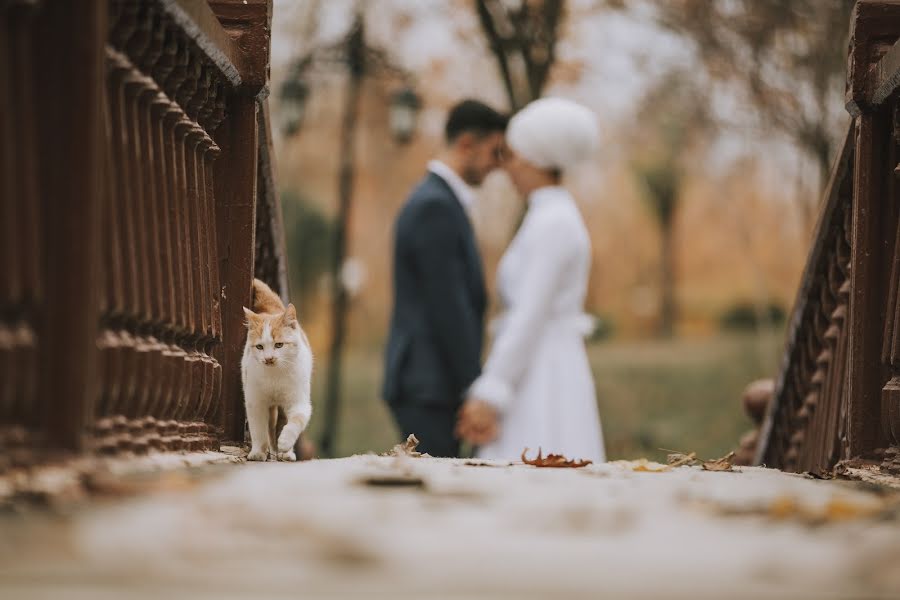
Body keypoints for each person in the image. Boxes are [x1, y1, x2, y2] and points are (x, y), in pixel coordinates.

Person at [456, 97, 606, 462]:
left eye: (513, 155)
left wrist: (490, 392)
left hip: (544, 375)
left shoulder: (553, 221)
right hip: (537, 364)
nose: (507, 168)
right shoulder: (548, 216)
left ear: (532, 159)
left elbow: (529, 316)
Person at [383, 99, 508, 457]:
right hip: (428, 384)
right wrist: (475, 389)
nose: (497, 165)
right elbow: (447, 307)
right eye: (494, 152)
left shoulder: (440, 200)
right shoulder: (435, 206)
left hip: (432, 381)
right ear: (467, 144)